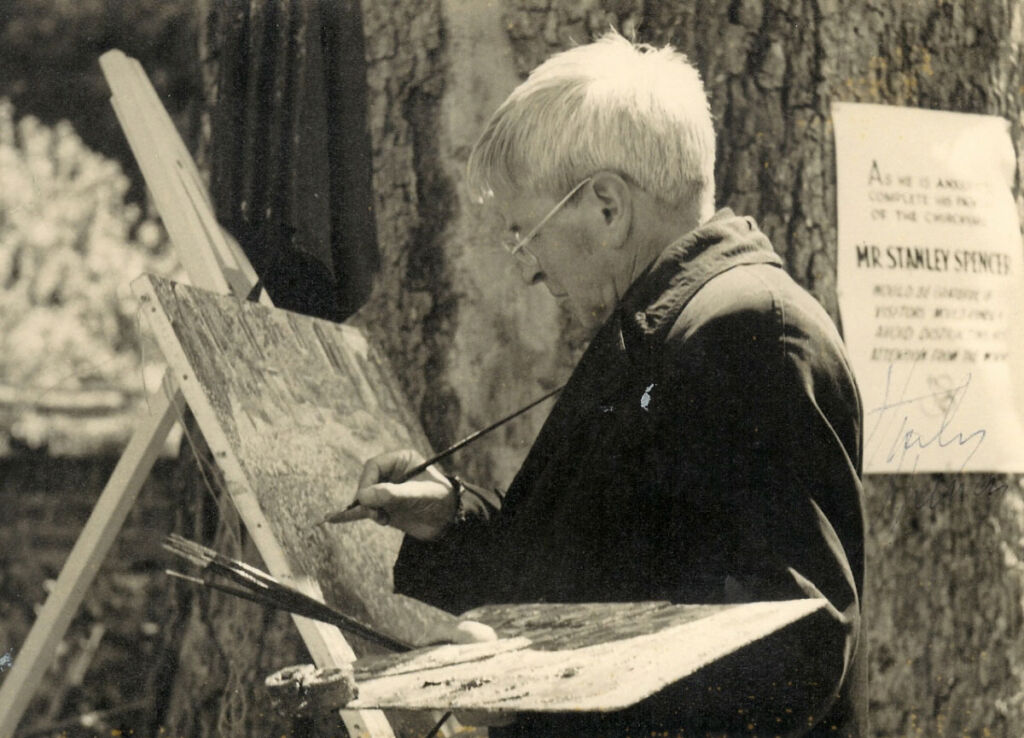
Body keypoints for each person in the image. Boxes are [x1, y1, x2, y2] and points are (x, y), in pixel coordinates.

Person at [337, 31, 867, 737]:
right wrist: (450, 519)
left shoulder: (746, 334)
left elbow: (786, 653)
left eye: (526, 234)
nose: (527, 266)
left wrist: (527, 687)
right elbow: (596, 575)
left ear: (608, 207)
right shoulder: (668, 327)